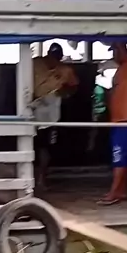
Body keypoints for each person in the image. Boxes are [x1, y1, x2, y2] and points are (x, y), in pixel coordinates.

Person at [31, 42, 77, 189]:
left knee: (45, 146)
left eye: (57, 57)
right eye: (52, 56)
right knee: (31, 144)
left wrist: (64, 93)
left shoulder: (65, 70)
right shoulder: (35, 64)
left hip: (51, 114)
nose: (54, 60)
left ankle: (41, 178)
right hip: (31, 109)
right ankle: (29, 176)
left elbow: (73, 87)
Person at [99, 42, 127, 205]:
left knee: (120, 158)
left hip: (125, 120)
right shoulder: (122, 69)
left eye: (115, 51)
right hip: (119, 120)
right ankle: (121, 191)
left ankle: (114, 192)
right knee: (123, 158)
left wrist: (120, 42)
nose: (113, 55)